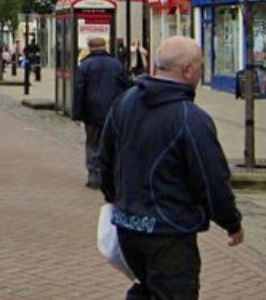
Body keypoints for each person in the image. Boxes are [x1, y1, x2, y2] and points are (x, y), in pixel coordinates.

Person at [99, 36, 243, 299]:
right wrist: (230, 221)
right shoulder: (191, 118)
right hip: (169, 230)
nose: (202, 72)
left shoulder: (124, 103)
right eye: (200, 66)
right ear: (187, 70)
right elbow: (211, 179)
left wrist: (116, 199)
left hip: (128, 225)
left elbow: (105, 159)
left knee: (146, 288)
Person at [71, 36, 130, 189]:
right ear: (105, 47)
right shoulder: (116, 65)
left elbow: (79, 91)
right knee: (112, 143)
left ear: (89, 47)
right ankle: (110, 176)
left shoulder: (85, 66)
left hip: (92, 112)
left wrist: (77, 114)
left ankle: (94, 176)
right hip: (113, 110)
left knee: (92, 143)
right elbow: (126, 87)